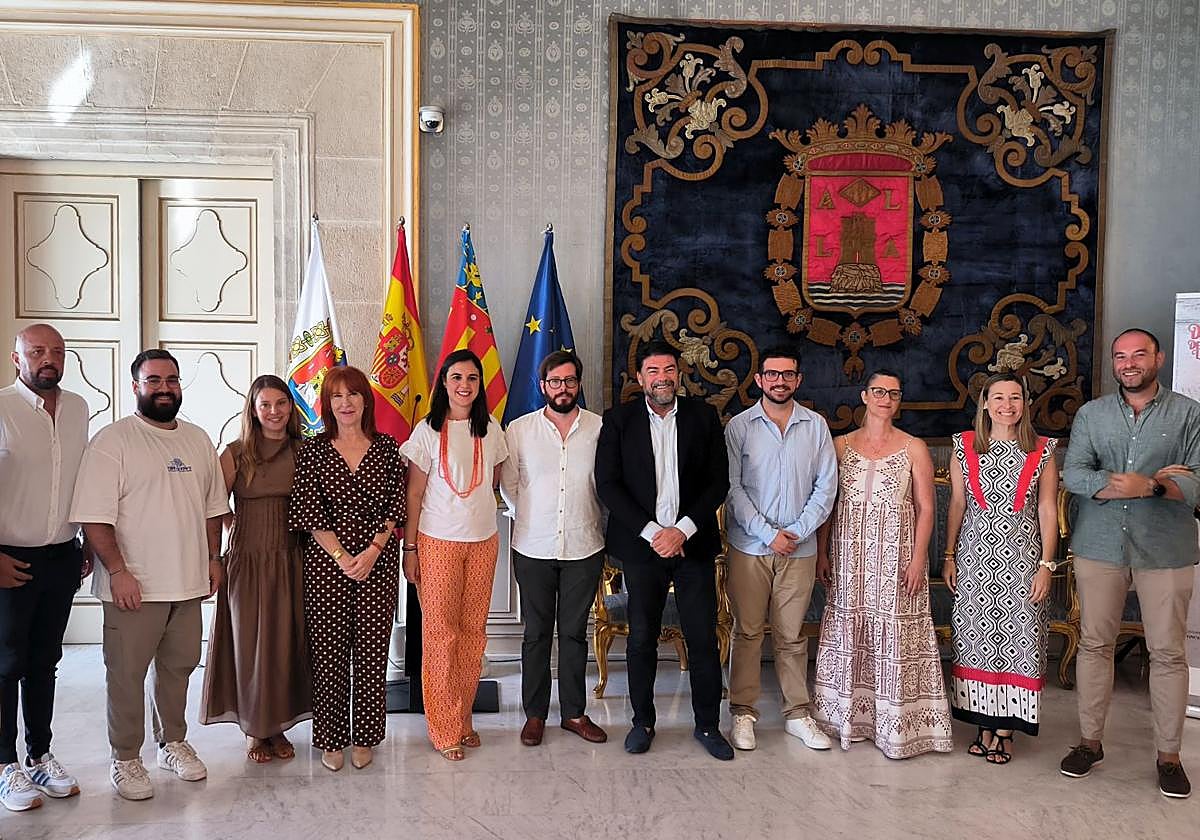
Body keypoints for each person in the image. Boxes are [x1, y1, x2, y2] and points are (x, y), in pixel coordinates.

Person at [70, 349, 229, 800]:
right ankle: (126, 758)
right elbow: (94, 517)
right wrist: (118, 571)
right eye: (154, 380)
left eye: (172, 380)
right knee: (126, 674)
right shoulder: (113, 441)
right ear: (136, 385)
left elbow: (212, 510)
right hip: (134, 585)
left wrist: (213, 560)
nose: (164, 388)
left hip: (188, 580)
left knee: (178, 668)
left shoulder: (197, 440)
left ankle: (172, 743)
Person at [1060, 328, 1200, 799]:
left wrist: (1158, 488)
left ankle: (1169, 757)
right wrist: (1133, 482)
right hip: (1100, 546)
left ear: (1158, 357)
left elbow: (1198, 482)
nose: (1129, 363)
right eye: (1120, 356)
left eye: (1139, 354)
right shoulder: (1092, 414)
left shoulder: (1188, 413)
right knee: (1095, 644)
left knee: (1168, 653)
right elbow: (1074, 473)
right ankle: (1089, 743)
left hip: (1167, 550)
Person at [594, 340, 733, 761]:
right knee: (640, 640)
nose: (662, 378)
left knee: (702, 639)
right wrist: (656, 532)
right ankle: (643, 723)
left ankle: (708, 726)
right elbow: (609, 485)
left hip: (692, 546)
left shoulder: (703, 417)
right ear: (640, 378)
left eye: (669, 370)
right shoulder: (618, 421)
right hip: (642, 548)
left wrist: (683, 530)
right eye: (653, 371)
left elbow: (718, 481)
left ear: (679, 374)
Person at [812, 369, 953, 759]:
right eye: (879, 391)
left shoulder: (914, 447)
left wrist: (918, 557)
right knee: (848, 624)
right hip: (848, 554)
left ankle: (897, 725)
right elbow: (829, 507)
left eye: (893, 392)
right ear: (864, 395)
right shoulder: (840, 445)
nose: (886, 398)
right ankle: (847, 718)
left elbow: (927, 508)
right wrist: (823, 552)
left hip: (897, 554)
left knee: (894, 627)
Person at [289, 365, 405, 773]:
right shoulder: (313, 450)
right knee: (329, 655)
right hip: (326, 565)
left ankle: (367, 736)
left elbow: (396, 506)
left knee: (372, 653)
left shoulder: (388, 448)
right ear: (327, 404)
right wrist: (343, 557)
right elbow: (308, 511)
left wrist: (372, 551)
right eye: (337, 396)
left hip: (379, 562)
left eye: (353, 394)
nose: (345, 403)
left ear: (365, 400)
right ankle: (331, 738)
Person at [723, 346, 837, 752]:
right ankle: (743, 713)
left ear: (798, 380)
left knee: (791, 636)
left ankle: (797, 715)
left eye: (787, 374)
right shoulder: (740, 426)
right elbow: (732, 489)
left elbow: (826, 487)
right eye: (772, 374)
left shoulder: (816, 426)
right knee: (748, 631)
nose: (779, 381)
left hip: (800, 549)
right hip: (750, 548)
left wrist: (797, 531)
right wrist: (768, 533)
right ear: (759, 380)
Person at [943, 373, 1058, 764]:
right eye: (998, 397)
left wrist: (1046, 565)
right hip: (975, 562)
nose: (1006, 405)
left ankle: (1006, 730)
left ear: (1024, 404)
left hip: (1023, 561)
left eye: (1014, 398)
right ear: (985, 403)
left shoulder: (1041, 450)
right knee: (975, 640)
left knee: (1018, 640)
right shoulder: (964, 446)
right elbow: (957, 504)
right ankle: (984, 723)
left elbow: (1047, 509)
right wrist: (948, 555)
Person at [401, 349, 507, 761]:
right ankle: (443, 727)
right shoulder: (427, 432)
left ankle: (462, 718)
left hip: (483, 542)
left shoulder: (492, 429)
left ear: (480, 386)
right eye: (457, 378)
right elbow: (413, 494)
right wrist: (410, 549)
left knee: (472, 635)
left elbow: (493, 482)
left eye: (472, 379)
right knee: (441, 636)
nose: (465, 386)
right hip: (437, 543)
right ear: (443, 383)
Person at [0, 324, 89, 811]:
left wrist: (86, 538)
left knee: (44, 662)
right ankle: (3, 765)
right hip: (9, 557)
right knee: (5, 664)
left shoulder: (76, 408)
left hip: (62, 555)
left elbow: (81, 479)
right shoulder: (2, 407)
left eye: (56, 351)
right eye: (37, 351)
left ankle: (39, 754)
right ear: (18, 359)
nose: (47, 359)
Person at [200, 374, 311, 762]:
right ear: (253, 409)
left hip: (291, 559)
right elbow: (213, 506)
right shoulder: (236, 452)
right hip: (246, 561)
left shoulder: (305, 450)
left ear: (290, 407)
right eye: (265, 404)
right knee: (249, 647)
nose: (274, 412)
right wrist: (218, 551)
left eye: (281, 403)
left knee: (283, 646)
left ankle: (277, 728)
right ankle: (254, 730)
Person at [500, 350, 606, 747]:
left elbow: (606, 484)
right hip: (532, 546)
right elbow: (509, 485)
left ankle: (575, 714)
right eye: (555, 382)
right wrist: (533, 515)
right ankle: (535, 715)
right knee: (537, 634)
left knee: (575, 634)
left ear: (579, 384)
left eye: (570, 381)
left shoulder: (600, 428)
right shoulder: (519, 430)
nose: (563, 389)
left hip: (584, 543)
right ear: (543, 386)